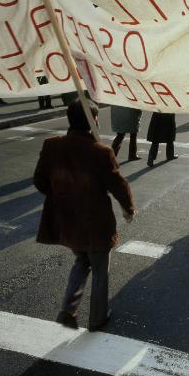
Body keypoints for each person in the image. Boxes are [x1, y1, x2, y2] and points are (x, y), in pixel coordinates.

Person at [33, 100, 135, 330]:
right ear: (94, 120)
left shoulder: (52, 146)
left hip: (67, 221)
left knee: (82, 260)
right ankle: (98, 318)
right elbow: (118, 185)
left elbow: (40, 181)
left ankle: (68, 309)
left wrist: (61, 193)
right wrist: (128, 208)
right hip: (96, 222)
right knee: (100, 269)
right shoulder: (101, 152)